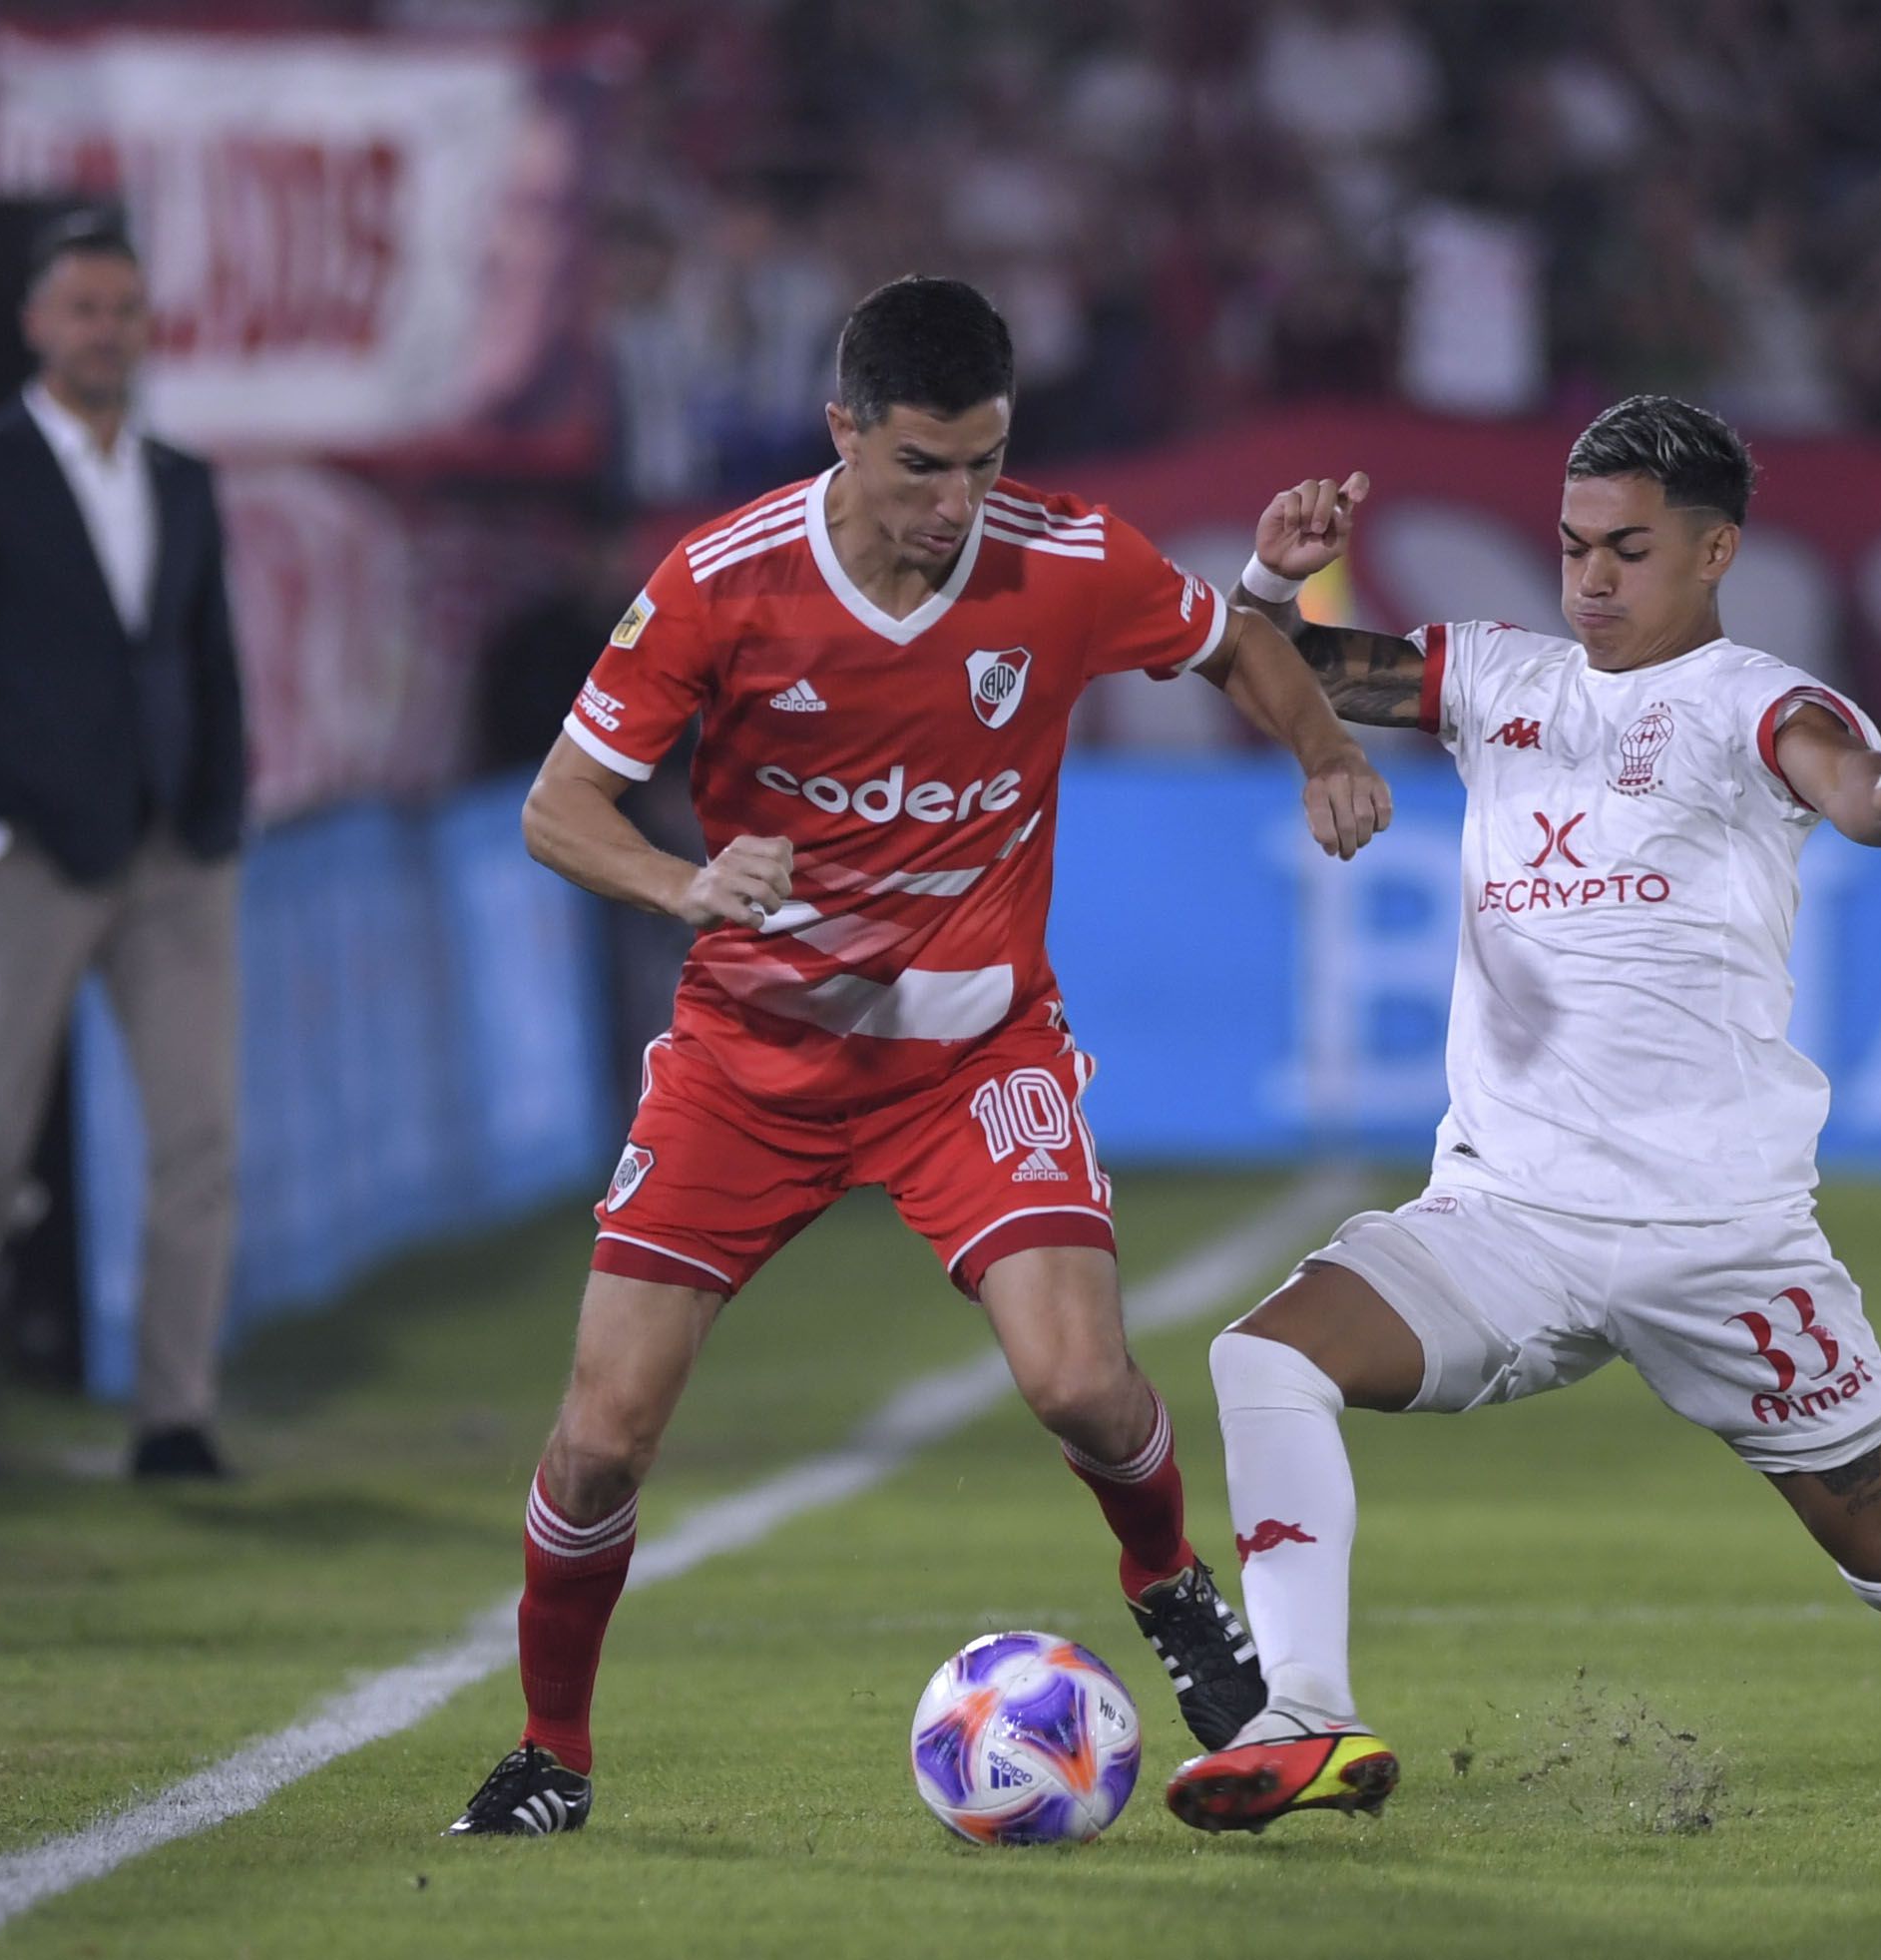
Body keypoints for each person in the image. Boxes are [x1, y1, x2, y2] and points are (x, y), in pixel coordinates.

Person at [446, 275, 1393, 1837]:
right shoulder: (720, 580)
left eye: (982, 463)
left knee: (1084, 1385)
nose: (956, 505)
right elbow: (559, 807)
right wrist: (686, 885)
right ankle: (554, 1751)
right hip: (752, 1056)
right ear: (842, 432)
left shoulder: (1066, 557)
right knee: (603, 1436)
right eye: (920, 467)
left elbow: (1233, 640)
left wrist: (1327, 749)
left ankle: (1169, 1587)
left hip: (972, 1053)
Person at [1163, 397, 1881, 1833]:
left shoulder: (1755, 701)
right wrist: (1271, 583)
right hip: (1506, 1217)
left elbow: (1840, 784)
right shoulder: (1500, 679)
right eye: (1573, 546)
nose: (1589, 579)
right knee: (1264, 1359)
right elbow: (1272, 669)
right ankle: (1309, 1711)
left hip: (1716, 1238)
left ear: (1715, 552)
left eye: (1627, 551)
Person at [0, 212, 248, 1482]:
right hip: (28, 854)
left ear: (146, 326)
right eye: (82, 309)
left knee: (199, 1136)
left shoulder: (182, 477)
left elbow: (206, 659)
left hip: (171, 854)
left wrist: (217, 812)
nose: (104, 332)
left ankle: (173, 1415)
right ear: (37, 325)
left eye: (123, 310)